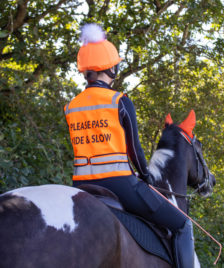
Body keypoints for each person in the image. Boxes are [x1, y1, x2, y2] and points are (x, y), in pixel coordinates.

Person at [64, 23, 194, 268]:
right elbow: (134, 149)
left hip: (81, 185)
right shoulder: (119, 100)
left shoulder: (71, 106)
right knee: (182, 225)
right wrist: (146, 177)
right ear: (111, 67)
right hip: (120, 184)